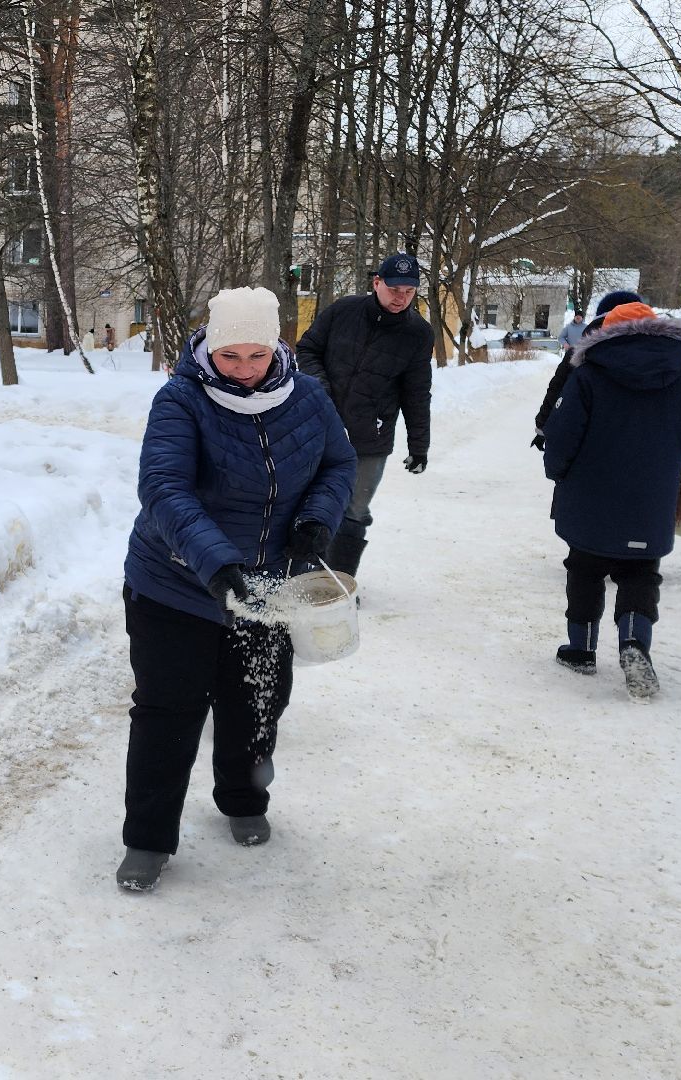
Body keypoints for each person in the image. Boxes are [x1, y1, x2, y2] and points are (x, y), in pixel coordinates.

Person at [117, 286, 356, 892]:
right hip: (177, 583)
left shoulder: (306, 395)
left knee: (256, 702)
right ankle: (147, 839)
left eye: (256, 356)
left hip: (268, 588)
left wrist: (315, 523)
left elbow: (338, 464)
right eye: (230, 357)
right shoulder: (181, 400)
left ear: (276, 345)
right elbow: (164, 488)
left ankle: (243, 801)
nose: (245, 372)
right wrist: (218, 563)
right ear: (209, 349)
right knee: (168, 712)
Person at [542, 302, 681, 701]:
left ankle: (580, 650)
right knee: (641, 573)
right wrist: (673, 449)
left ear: (608, 333)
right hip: (652, 495)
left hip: (590, 492)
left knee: (585, 568)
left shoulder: (588, 376)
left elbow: (562, 435)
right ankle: (633, 644)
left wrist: (556, 471)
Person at [294, 252, 435, 577]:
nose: (401, 298)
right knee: (308, 501)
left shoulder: (418, 333)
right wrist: (319, 388)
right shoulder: (343, 311)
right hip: (318, 428)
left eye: (409, 291)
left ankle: (337, 583)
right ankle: (300, 574)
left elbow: (416, 394)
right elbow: (308, 349)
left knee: (354, 511)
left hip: (371, 438)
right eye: (394, 289)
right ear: (377, 283)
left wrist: (419, 447)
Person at [532, 290, 641, 450]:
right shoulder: (665, 363)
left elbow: (557, 390)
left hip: (586, 451)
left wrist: (543, 427)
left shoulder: (579, 352)